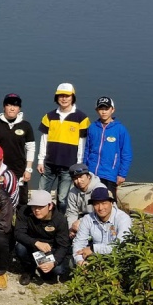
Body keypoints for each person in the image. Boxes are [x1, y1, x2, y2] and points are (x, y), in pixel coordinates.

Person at [37, 83, 90, 212]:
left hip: (69, 166)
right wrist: (40, 160)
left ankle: (61, 222)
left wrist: (79, 163)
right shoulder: (48, 117)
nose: (64, 99)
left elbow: (82, 142)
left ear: (73, 97)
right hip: (49, 164)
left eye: (67, 96)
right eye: (61, 96)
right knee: (41, 195)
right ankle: (41, 220)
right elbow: (44, 139)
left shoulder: (82, 118)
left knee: (62, 198)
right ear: (56, 98)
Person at [0, 93, 35, 205]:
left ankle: (19, 222)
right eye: (9, 105)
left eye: (15, 106)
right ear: (4, 107)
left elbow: (31, 148)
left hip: (19, 170)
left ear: (19, 109)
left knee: (21, 201)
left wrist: (28, 169)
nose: (12, 108)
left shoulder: (26, 126)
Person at [14, 190, 71, 285]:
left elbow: (63, 245)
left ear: (50, 206)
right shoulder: (24, 211)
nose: (36, 210)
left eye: (40, 207)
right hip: (31, 245)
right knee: (20, 247)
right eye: (34, 206)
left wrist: (54, 262)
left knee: (58, 270)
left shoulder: (60, 219)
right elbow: (18, 233)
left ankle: (44, 269)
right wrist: (35, 243)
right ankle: (29, 270)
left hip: (50, 249)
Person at [84, 96, 133, 197]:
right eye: (101, 109)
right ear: (97, 110)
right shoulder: (92, 127)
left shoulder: (120, 129)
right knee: (90, 202)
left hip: (110, 175)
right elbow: (87, 150)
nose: (104, 112)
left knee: (108, 202)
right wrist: (85, 170)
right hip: (92, 173)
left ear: (112, 110)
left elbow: (126, 154)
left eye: (106, 109)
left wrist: (122, 174)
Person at [72, 186, 132, 265]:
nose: (100, 208)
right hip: (95, 259)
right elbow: (78, 243)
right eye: (96, 204)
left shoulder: (123, 219)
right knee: (72, 262)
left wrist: (94, 249)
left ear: (111, 203)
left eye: (104, 203)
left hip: (117, 260)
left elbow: (121, 246)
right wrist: (80, 261)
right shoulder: (87, 219)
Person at [64, 162, 103, 238]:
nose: (79, 181)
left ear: (88, 176)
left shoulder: (99, 189)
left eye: (81, 177)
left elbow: (102, 212)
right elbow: (71, 212)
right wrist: (71, 228)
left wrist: (82, 222)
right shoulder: (73, 191)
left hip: (99, 219)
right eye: (75, 178)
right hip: (82, 219)